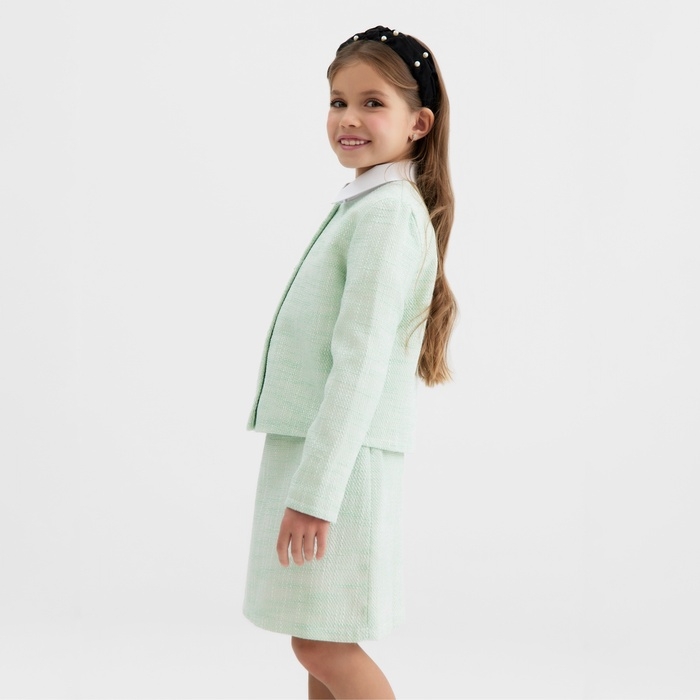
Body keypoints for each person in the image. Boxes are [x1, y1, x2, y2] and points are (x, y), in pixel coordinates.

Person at [243, 25, 456, 700]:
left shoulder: (387, 214)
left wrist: (316, 494)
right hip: (321, 451)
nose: (349, 118)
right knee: (317, 639)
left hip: (341, 460)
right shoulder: (366, 205)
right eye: (338, 101)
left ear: (419, 123)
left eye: (372, 103)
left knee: (322, 642)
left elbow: (360, 364)